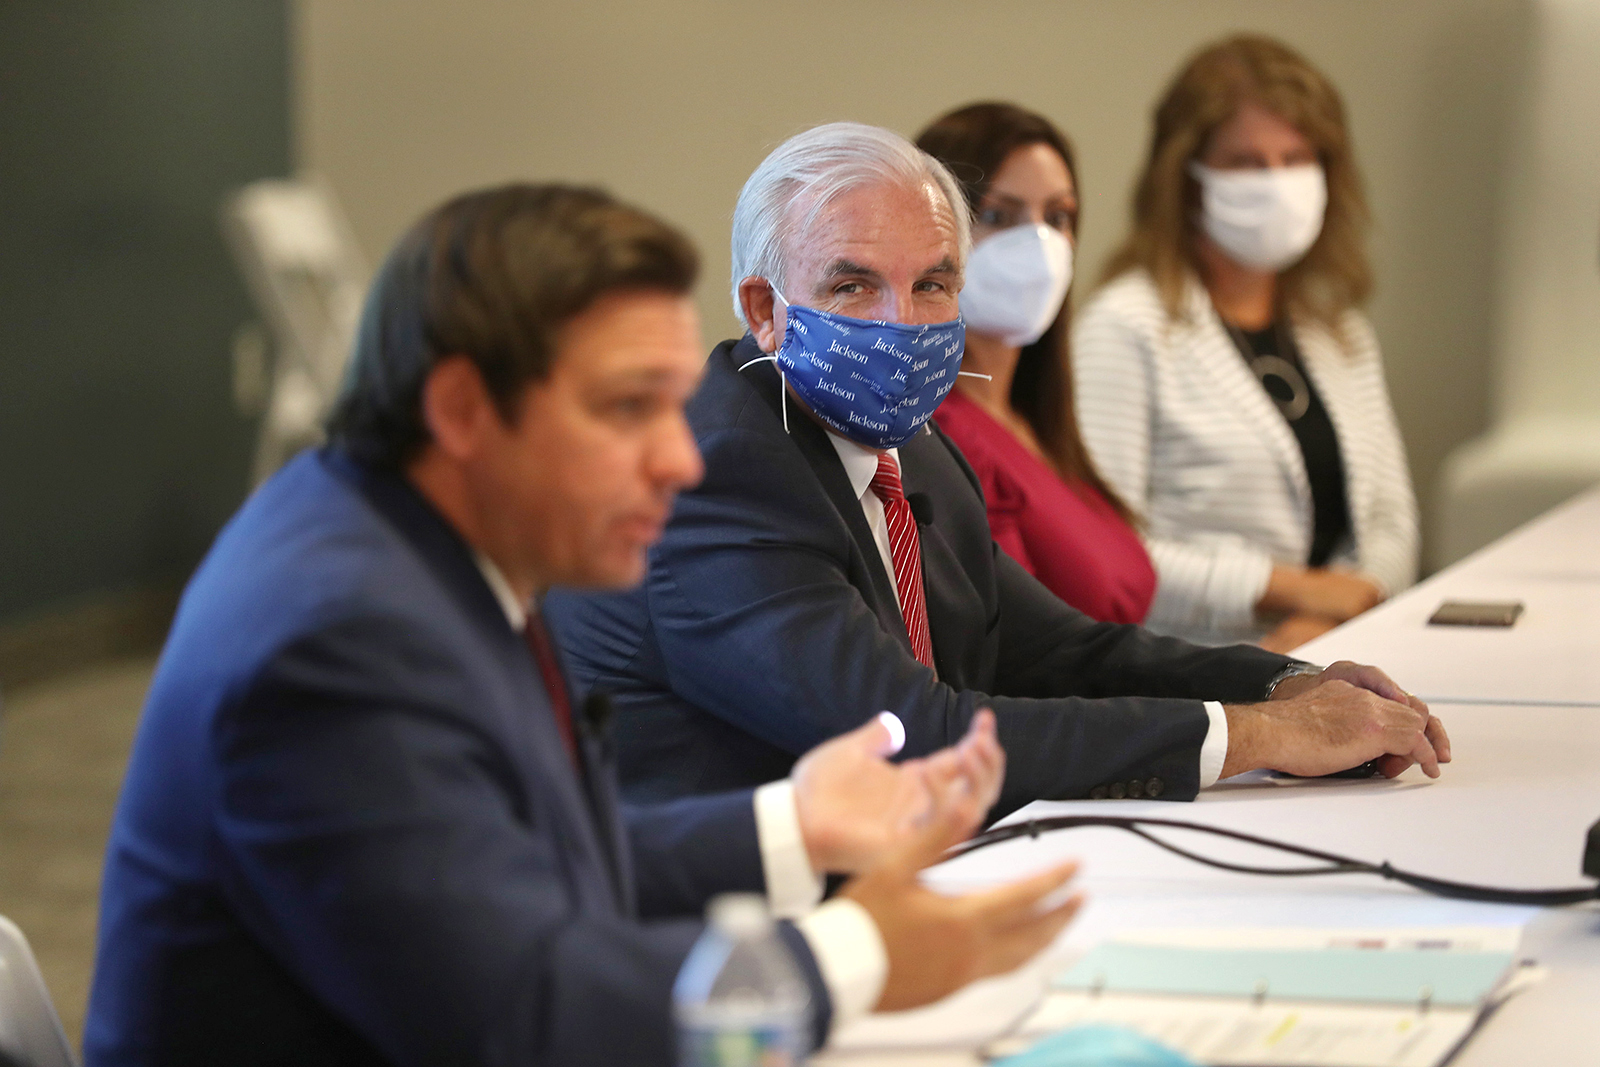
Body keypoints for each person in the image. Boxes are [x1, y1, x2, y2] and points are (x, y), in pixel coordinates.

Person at [83, 184, 1086, 1066]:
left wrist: (794, 822)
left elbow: (514, 870)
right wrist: (853, 953)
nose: (680, 460)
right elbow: (526, 1018)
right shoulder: (336, 635)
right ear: (463, 408)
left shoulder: (417, 537)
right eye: (626, 408)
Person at [546, 122, 1448, 817]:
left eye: (933, 284)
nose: (902, 324)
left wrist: (1289, 686)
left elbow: (1059, 649)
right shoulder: (714, 473)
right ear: (764, 309)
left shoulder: (916, 444)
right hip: (730, 941)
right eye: (853, 285)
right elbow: (909, 735)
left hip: (921, 873)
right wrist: (1259, 738)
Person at [1073, 34, 1419, 652]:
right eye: (1246, 162)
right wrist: (1290, 592)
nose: (1277, 183)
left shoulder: (1338, 330)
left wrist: (1317, 627)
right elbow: (1108, 552)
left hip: (1344, 649)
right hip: (1194, 673)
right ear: (1185, 177)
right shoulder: (1123, 328)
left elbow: (1392, 524)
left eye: (1296, 157)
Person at [915, 102, 1154, 624]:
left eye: (1058, 217)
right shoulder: (940, 432)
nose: (1039, 243)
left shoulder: (1036, 421)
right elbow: (1025, 653)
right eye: (999, 216)